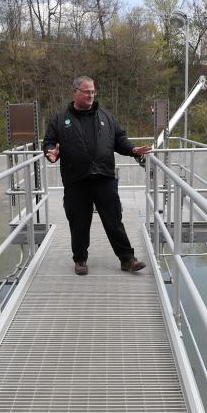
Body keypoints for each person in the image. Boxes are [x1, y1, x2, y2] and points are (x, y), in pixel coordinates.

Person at [43, 76, 152, 276]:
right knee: (78, 221)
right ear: (75, 92)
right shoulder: (60, 120)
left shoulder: (106, 117)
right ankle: (80, 260)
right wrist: (51, 153)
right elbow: (49, 142)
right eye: (86, 92)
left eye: (93, 91)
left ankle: (127, 259)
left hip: (104, 177)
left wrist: (133, 149)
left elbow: (120, 139)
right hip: (76, 179)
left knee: (113, 219)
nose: (91, 95)